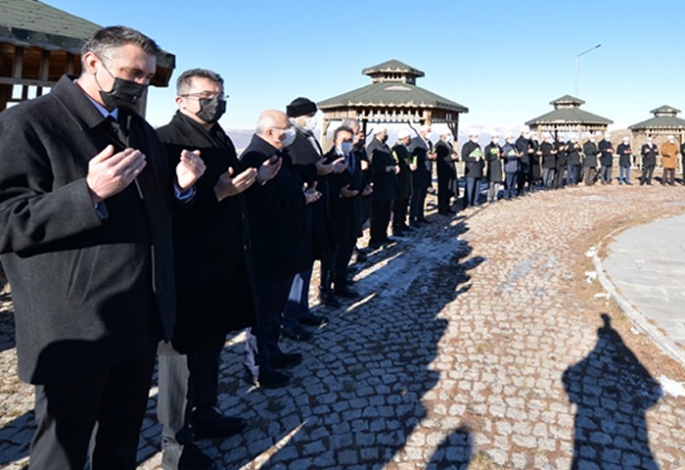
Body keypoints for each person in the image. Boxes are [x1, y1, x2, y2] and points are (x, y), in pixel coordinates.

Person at [0, 26, 207, 470]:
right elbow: (7, 220)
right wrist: (88, 193)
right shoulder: (29, 123)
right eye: (132, 73)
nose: (140, 84)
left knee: (121, 441)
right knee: (62, 452)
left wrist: (181, 188)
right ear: (92, 63)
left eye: (148, 78)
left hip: (137, 318)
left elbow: (151, 211)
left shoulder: (139, 129)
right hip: (75, 323)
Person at [155, 69, 281, 470]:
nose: (217, 101)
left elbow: (230, 191)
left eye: (221, 94)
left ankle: (205, 413)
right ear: (182, 100)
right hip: (187, 269)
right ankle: (174, 446)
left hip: (223, 264)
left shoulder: (221, 137)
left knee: (210, 349)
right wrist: (216, 193)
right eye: (208, 95)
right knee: (180, 362)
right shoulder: (166, 140)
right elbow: (166, 210)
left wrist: (254, 181)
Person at [241, 110, 321, 389]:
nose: (290, 131)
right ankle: (256, 367)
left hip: (285, 246)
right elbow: (262, 207)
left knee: (274, 308)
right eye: (285, 128)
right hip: (269, 248)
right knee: (263, 311)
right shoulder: (255, 157)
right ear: (270, 131)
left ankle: (272, 352)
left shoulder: (279, 154)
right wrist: (302, 199)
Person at [282, 97, 343, 328]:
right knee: (296, 267)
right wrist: (317, 170)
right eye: (310, 116)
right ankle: (289, 317)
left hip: (315, 207)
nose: (314, 121)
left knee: (306, 263)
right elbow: (293, 170)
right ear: (297, 116)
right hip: (300, 208)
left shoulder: (309, 137)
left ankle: (302, 309)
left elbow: (314, 164)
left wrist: (328, 166)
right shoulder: (291, 138)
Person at [326, 126, 373, 297]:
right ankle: (327, 287)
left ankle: (341, 283)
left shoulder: (354, 157)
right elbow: (323, 188)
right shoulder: (328, 159)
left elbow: (359, 180)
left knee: (347, 250)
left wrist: (365, 189)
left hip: (354, 210)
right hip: (337, 213)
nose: (347, 143)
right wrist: (339, 192)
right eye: (344, 140)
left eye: (350, 140)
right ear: (335, 141)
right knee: (334, 253)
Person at [366, 126, 399, 248]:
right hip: (379, 186)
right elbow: (372, 166)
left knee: (386, 212)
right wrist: (386, 169)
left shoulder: (385, 146)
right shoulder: (373, 147)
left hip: (388, 185)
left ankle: (383, 235)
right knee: (377, 213)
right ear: (378, 134)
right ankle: (375, 238)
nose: (387, 135)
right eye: (385, 133)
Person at [408, 125, 434, 226]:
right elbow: (413, 155)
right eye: (428, 131)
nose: (430, 132)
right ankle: (412, 218)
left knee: (423, 196)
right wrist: (426, 157)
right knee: (415, 197)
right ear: (422, 131)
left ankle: (420, 216)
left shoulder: (429, 143)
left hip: (426, 173)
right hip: (417, 173)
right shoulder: (415, 141)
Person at [392, 129, 416, 231]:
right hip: (400, 180)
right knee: (399, 203)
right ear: (405, 138)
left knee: (405, 202)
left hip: (406, 180)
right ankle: (397, 225)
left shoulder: (406, 148)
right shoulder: (397, 149)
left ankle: (402, 223)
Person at [435, 130, 457, 214]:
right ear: (442, 135)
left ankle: (447, 207)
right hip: (443, 171)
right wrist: (450, 158)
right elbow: (440, 159)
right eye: (447, 134)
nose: (449, 136)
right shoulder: (439, 145)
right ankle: (442, 208)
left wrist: (455, 157)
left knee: (449, 189)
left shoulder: (449, 144)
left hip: (450, 170)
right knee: (443, 189)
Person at [461, 132, 484, 208]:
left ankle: (475, 201)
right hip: (471, 170)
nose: (476, 138)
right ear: (470, 137)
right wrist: (474, 159)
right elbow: (464, 157)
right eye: (475, 136)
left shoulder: (478, 146)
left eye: (477, 136)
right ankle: (468, 203)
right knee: (470, 188)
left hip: (478, 170)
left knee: (477, 188)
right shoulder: (466, 146)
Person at [484, 134, 503, 203]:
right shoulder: (488, 147)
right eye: (494, 137)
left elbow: (501, 155)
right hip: (491, 167)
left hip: (498, 166)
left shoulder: (499, 147)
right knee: (491, 183)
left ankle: (495, 196)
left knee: (497, 182)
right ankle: (489, 197)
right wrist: (495, 156)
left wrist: (501, 155)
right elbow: (487, 157)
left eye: (497, 137)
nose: (496, 139)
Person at [502, 135, 519, 200]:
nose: (512, 139)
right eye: (510, 138)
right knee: (508, 182)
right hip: (509, 167)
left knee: (514, 182)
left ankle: (513, 194)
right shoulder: (505, 147)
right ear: (506, 139)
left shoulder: (514, 147)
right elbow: (507, 156)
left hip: (515, 166)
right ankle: (506, 195)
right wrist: (516, 156)